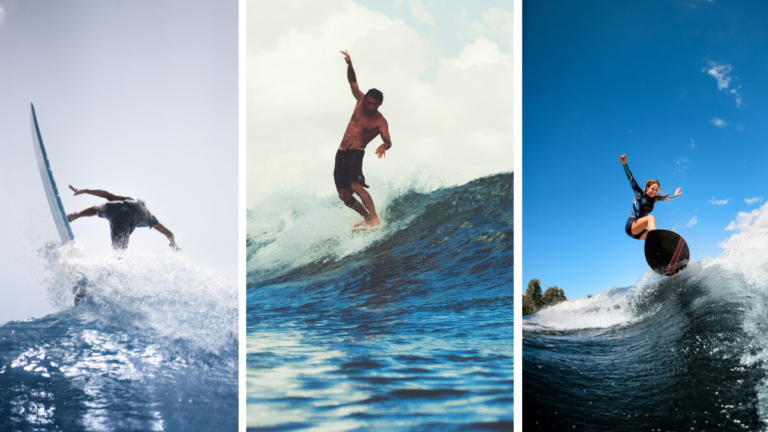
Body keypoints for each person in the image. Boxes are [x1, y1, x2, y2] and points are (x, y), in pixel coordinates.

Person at [334, 50, 393, 228]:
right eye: (369, 102)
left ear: (380, 104)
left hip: (356, 152)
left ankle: (375, 218)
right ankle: (367, 218)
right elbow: (352, 81)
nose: (372, 106)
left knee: (355, 185)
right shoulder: (359, 102)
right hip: (341, 152)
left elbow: (388, 141)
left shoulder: (380, 121)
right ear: (365, 99)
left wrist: (384, 145)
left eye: (376, 104)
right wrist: (349, 64)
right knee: (344, 195)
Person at [66, 185, 180, 251]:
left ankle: (74, 216)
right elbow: (168, 233)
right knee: (119, 254)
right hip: (124, 221)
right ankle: (96, 283)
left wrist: (85, 191)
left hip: (114, 207)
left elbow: (107, 195)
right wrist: (173, 243)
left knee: (97, 209)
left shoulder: (131, 199)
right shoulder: (149, 217)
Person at [621, 154, 681, 240]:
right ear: (647, 188)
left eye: (656, 190)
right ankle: (655, 237)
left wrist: (674, 195)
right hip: (631, 226)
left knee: (660, 239)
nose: (654, 191)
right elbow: (631, 179)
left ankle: (661, 250)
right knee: (651, 218)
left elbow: (666, 197)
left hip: (639, 232)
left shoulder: (654, 198)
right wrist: (624, 164)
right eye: (652, 189)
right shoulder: (639, 194)